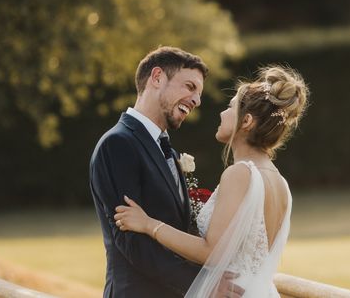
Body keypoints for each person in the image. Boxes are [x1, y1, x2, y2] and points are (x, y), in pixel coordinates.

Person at [114, 65, 309, 298]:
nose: (222, 114)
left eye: (230, 107)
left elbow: (212, 251)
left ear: (246, 121)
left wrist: (149, 225)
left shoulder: (240, 174)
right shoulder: (279, 182)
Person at [90, 46, 209, 297]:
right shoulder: (118, 143)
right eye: (190, 87)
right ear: (157, 78)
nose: (197, 100)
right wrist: (204, 285)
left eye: (199, 93)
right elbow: (132, 242)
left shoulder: (169, 152)